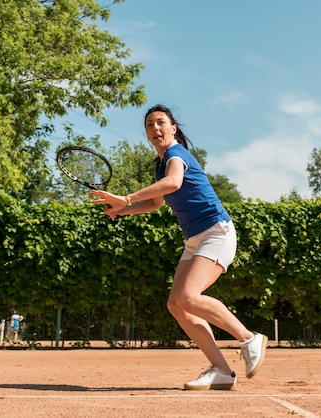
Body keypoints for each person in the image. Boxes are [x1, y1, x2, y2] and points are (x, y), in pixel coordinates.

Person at [90, 104, 267, 390]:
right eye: (149, 125)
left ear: (173, 128)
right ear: (147, 134)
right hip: (195, 238)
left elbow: (173, 183)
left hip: (216, 231)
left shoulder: (176, 155)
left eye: (160, 122)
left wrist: (126, 197)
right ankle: (221, 371)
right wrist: (121, 210)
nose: (155, 128)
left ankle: (249, 338)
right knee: (176, 304)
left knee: (187, 296)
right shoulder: (160, 164)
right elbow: (156, 203)